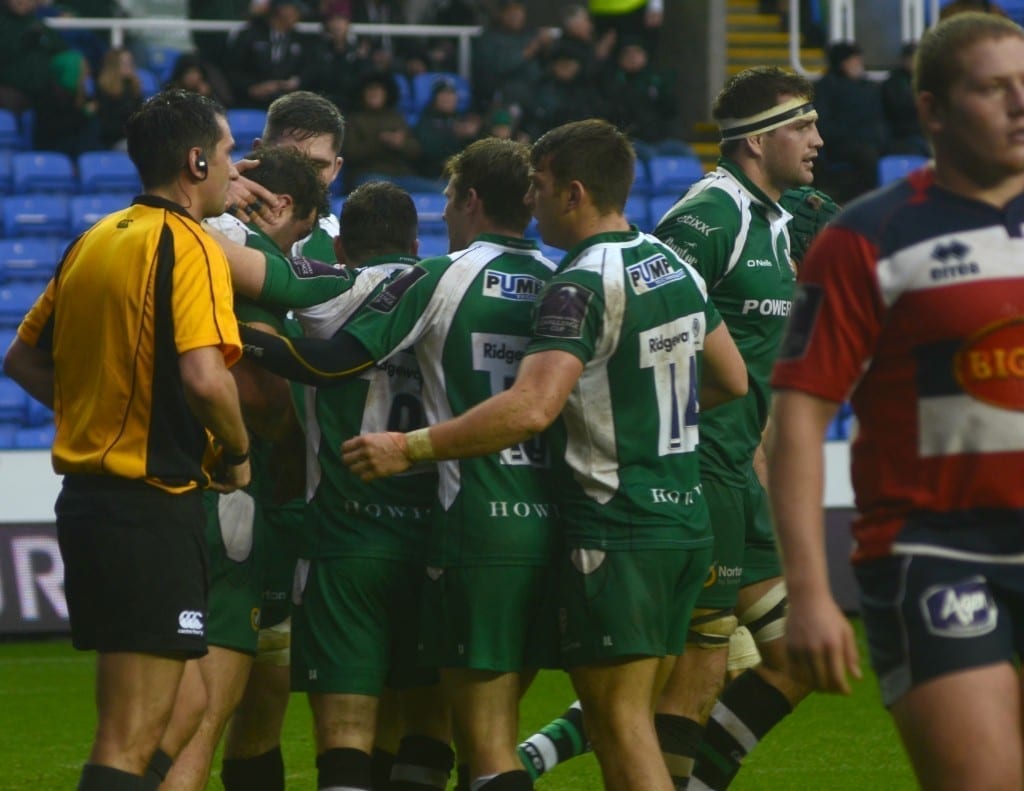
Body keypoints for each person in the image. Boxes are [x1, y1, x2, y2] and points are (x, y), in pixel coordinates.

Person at [341, 119, 749, 791]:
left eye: (541, 186)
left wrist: (408, 445)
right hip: (683, 523)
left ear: (574, 193)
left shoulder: (581, 283)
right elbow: (731, 377)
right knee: (631, 719)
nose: (529, 201)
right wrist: (633, 398)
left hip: (618, 527)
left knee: (619, 727)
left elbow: (531, 407)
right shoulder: (669, 261)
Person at [516, 67, 826, 791]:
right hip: (696, 476)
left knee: (790, 659)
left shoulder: (780, 220)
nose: (818, 139)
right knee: (688, 673)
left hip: (738, 480)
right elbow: (645, 315)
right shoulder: (709, 218)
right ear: (755, 143)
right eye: (802, 126)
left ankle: (544, 757)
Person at [236, 136, 563, 791]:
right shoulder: (564, 283)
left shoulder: (382, 287)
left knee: (348, 737)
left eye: (449, 197)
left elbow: (305, 332)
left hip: (351, 536)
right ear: (412, 241)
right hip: (463, 533)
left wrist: (249, 325)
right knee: (446, 729)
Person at [770, 12, 1024, 791]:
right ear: (932, 110)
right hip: (935, 549)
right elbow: (800, 420)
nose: (1021, 104)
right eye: (993, 88)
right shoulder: (865, 239)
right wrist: (810, 594)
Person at [2, 88, 249, 791]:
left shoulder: (94, 239)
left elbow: (21, 358)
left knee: (191, 702)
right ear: (197, 161)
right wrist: (237, 452)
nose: (235, 166)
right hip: (146, 503)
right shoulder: (190, 244)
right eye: (229, 151)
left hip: (95, 503)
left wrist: (95, 410)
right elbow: (207, 379)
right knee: (129, 734)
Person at [156, 145, 329, 791]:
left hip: (153, 486)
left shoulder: (156, 241)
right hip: (225, 491)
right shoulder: (244, 270)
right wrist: (278, 438)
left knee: (155, 710)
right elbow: (254, 391)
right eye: (304, 231)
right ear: (280, 206)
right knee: (204, 713)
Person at [814, 41, 889, 202]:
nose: (859, 65)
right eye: (854, 61)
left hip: (872, 141)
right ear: (842, 63)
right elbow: (824, 126)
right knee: (867, 156)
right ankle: (867, 203)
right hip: (841, 145)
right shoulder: (826, 87)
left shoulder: (868, 87)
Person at [225, 0, 320, 109]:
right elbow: (232, 68)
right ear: (281, 9)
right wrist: (251, 87)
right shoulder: (249, 35)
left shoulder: (302, 41)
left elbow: (310, 69)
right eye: (295, 9)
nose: (298, 15)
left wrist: (295, 82)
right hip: (249, 102)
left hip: (288, 103)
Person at [95, 47, 144, 150]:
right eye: (125, 63)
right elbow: (107, 127)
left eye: (130, 62)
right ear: (113, 66)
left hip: (134, 138)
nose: (129, 66)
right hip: (114, 141)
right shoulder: (104, 92)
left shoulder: (134, 89)